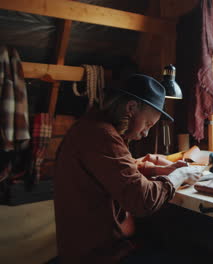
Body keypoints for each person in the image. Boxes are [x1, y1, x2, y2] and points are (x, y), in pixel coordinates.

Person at [53, 74, 201, 263]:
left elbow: (120, 168)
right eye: (147, 124)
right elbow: (143, 199)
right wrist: (180, 174)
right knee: (187, 253)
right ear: (131, 108)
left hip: (86, 248)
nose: (145, 133)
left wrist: (160, 170)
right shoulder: (102, 135)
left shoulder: (90, 126)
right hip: (99, 255)